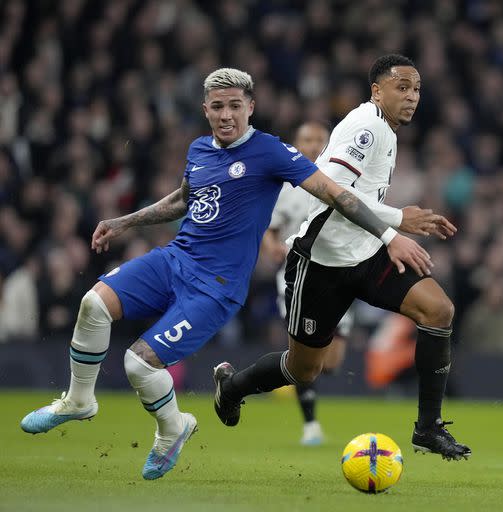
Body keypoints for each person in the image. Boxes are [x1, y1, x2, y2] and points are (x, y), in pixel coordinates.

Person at [20, 67, 441, 480]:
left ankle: (173, 428)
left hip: (216, 288)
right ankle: (78, 400)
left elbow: (336, 195)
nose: (226, 115)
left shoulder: (272, 152)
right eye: (218, 107)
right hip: (174, 260)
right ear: (206, 110)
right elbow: (182, 201)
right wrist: (124, 222)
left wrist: (390, 233)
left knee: (138, 365)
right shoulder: (200, 150)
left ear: (250, 108)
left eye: (235, 106)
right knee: (93, 304)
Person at [213, 54, 471, 461]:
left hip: (366, 255)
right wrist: (396, 225)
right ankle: (233, 387)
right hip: (320, 264)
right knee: (304, 371)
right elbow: (330, 188)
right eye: (401, 87)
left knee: (438, 311)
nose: (411, 96)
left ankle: (427, 428)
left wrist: (391, 227)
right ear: (376, 91)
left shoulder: (387, 129)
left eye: (416, 89)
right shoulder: (365, 126)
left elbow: (361, 195)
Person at [260, 120, 352, 445]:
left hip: (338, 279)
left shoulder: (340, 181)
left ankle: (280, 376)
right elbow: (270, 229)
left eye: (318, 140)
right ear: (296, 145)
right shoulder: (286, 187)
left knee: (331, 362)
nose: (313, 145)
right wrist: (271, 244)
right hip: (297, 279)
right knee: (303, 357)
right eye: (306, 140)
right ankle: (311, 425)